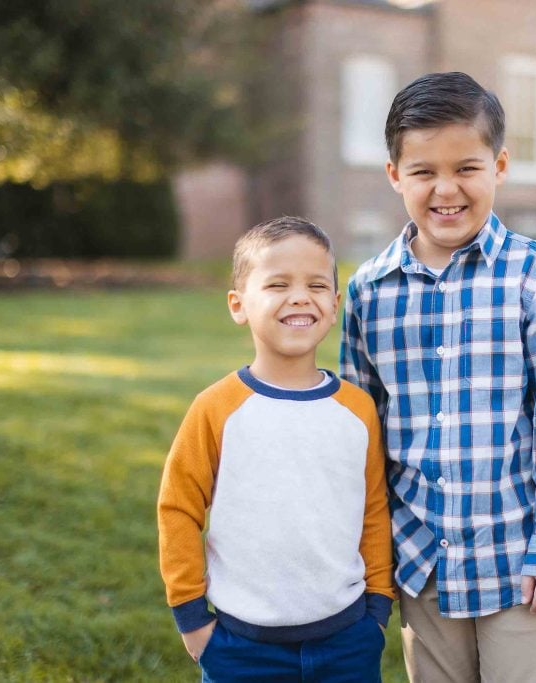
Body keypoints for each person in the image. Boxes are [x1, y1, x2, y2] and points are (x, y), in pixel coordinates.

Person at [340, 72, 536, 682]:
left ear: (500, 165)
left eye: (466, 167)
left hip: (517, 560)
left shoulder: (535, 275)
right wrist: (371, 549)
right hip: (419, 559)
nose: (445, 189)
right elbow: (362, 431)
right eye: (423, 171)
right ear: (394, 176)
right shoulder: (368, 290)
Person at [159, 216, 395, 682]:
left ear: (334, 304)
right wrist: (192, 618)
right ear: (238, 304)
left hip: (348, 641)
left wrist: (378, 607)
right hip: (240, 647)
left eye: (316, 284)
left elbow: (372, 508)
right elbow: (178, 508)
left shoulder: (358, 408)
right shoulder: (216, 408)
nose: (300, 296)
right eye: (278, 284)